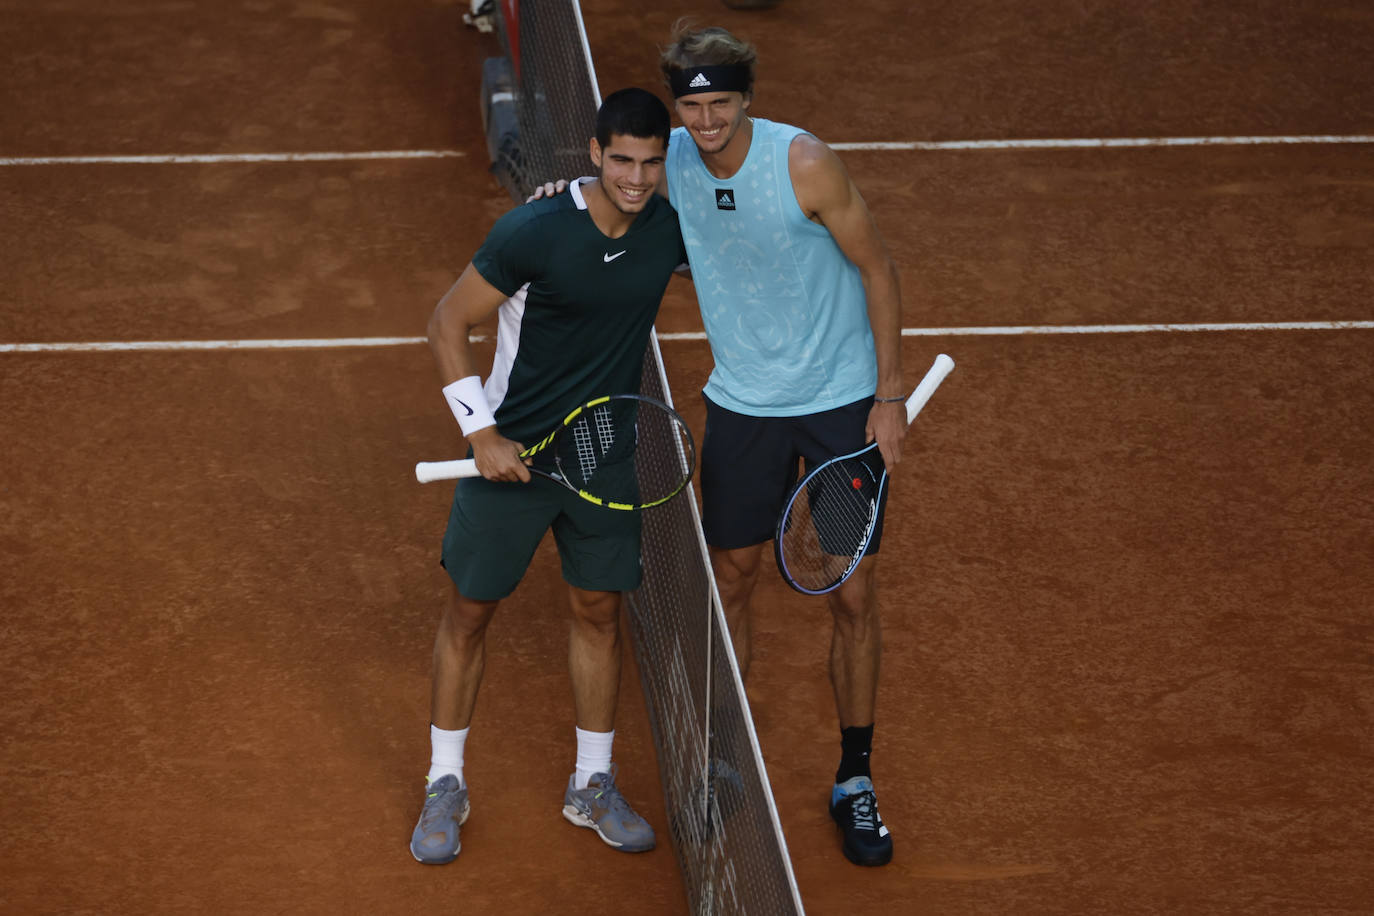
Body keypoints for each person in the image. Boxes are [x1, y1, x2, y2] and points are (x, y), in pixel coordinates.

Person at [410, 87, 687, 866]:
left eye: (651, 163)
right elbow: (445, 321)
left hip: (604, 461)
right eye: (622, 160)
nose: (636, 178)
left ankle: (592, 783)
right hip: (511, 462)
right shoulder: (533, 231)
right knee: (469, 613)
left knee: (599, 614)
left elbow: (740, 244)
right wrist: (482, 432)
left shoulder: (668, 228)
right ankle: (445, 781)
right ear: (595, 155)